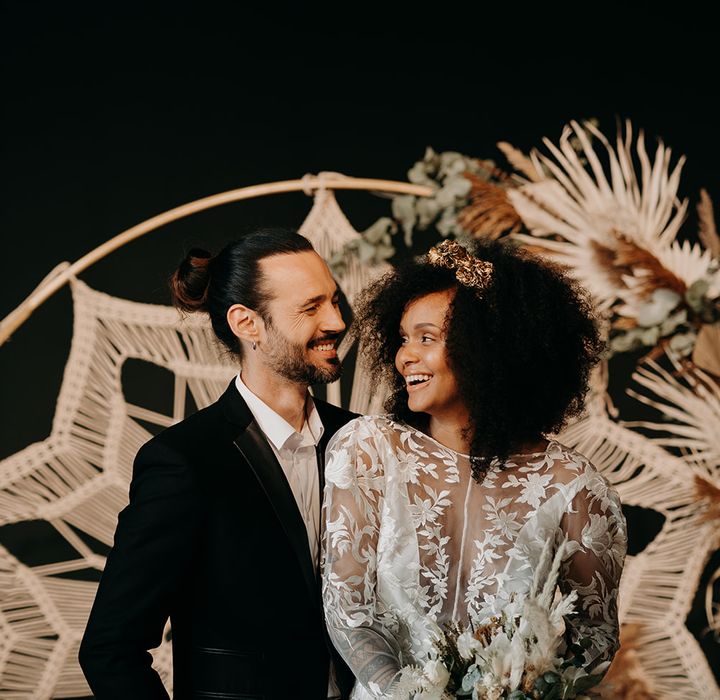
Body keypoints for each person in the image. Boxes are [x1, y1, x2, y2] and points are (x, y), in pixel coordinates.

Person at [321, 239, 627, 699]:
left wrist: (520, 688)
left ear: (488, 348)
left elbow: (594, 642)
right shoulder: (369, 451)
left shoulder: (574, 487)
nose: (405, 356)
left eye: (426, 338)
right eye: (403, 339)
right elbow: (349, 613)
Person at [80, 228, 355, 699]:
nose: (336, 321)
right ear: (247, 323)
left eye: (334, 301)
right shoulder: (183, 462)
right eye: (311, 308)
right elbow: (110, 647)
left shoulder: (362, 439)